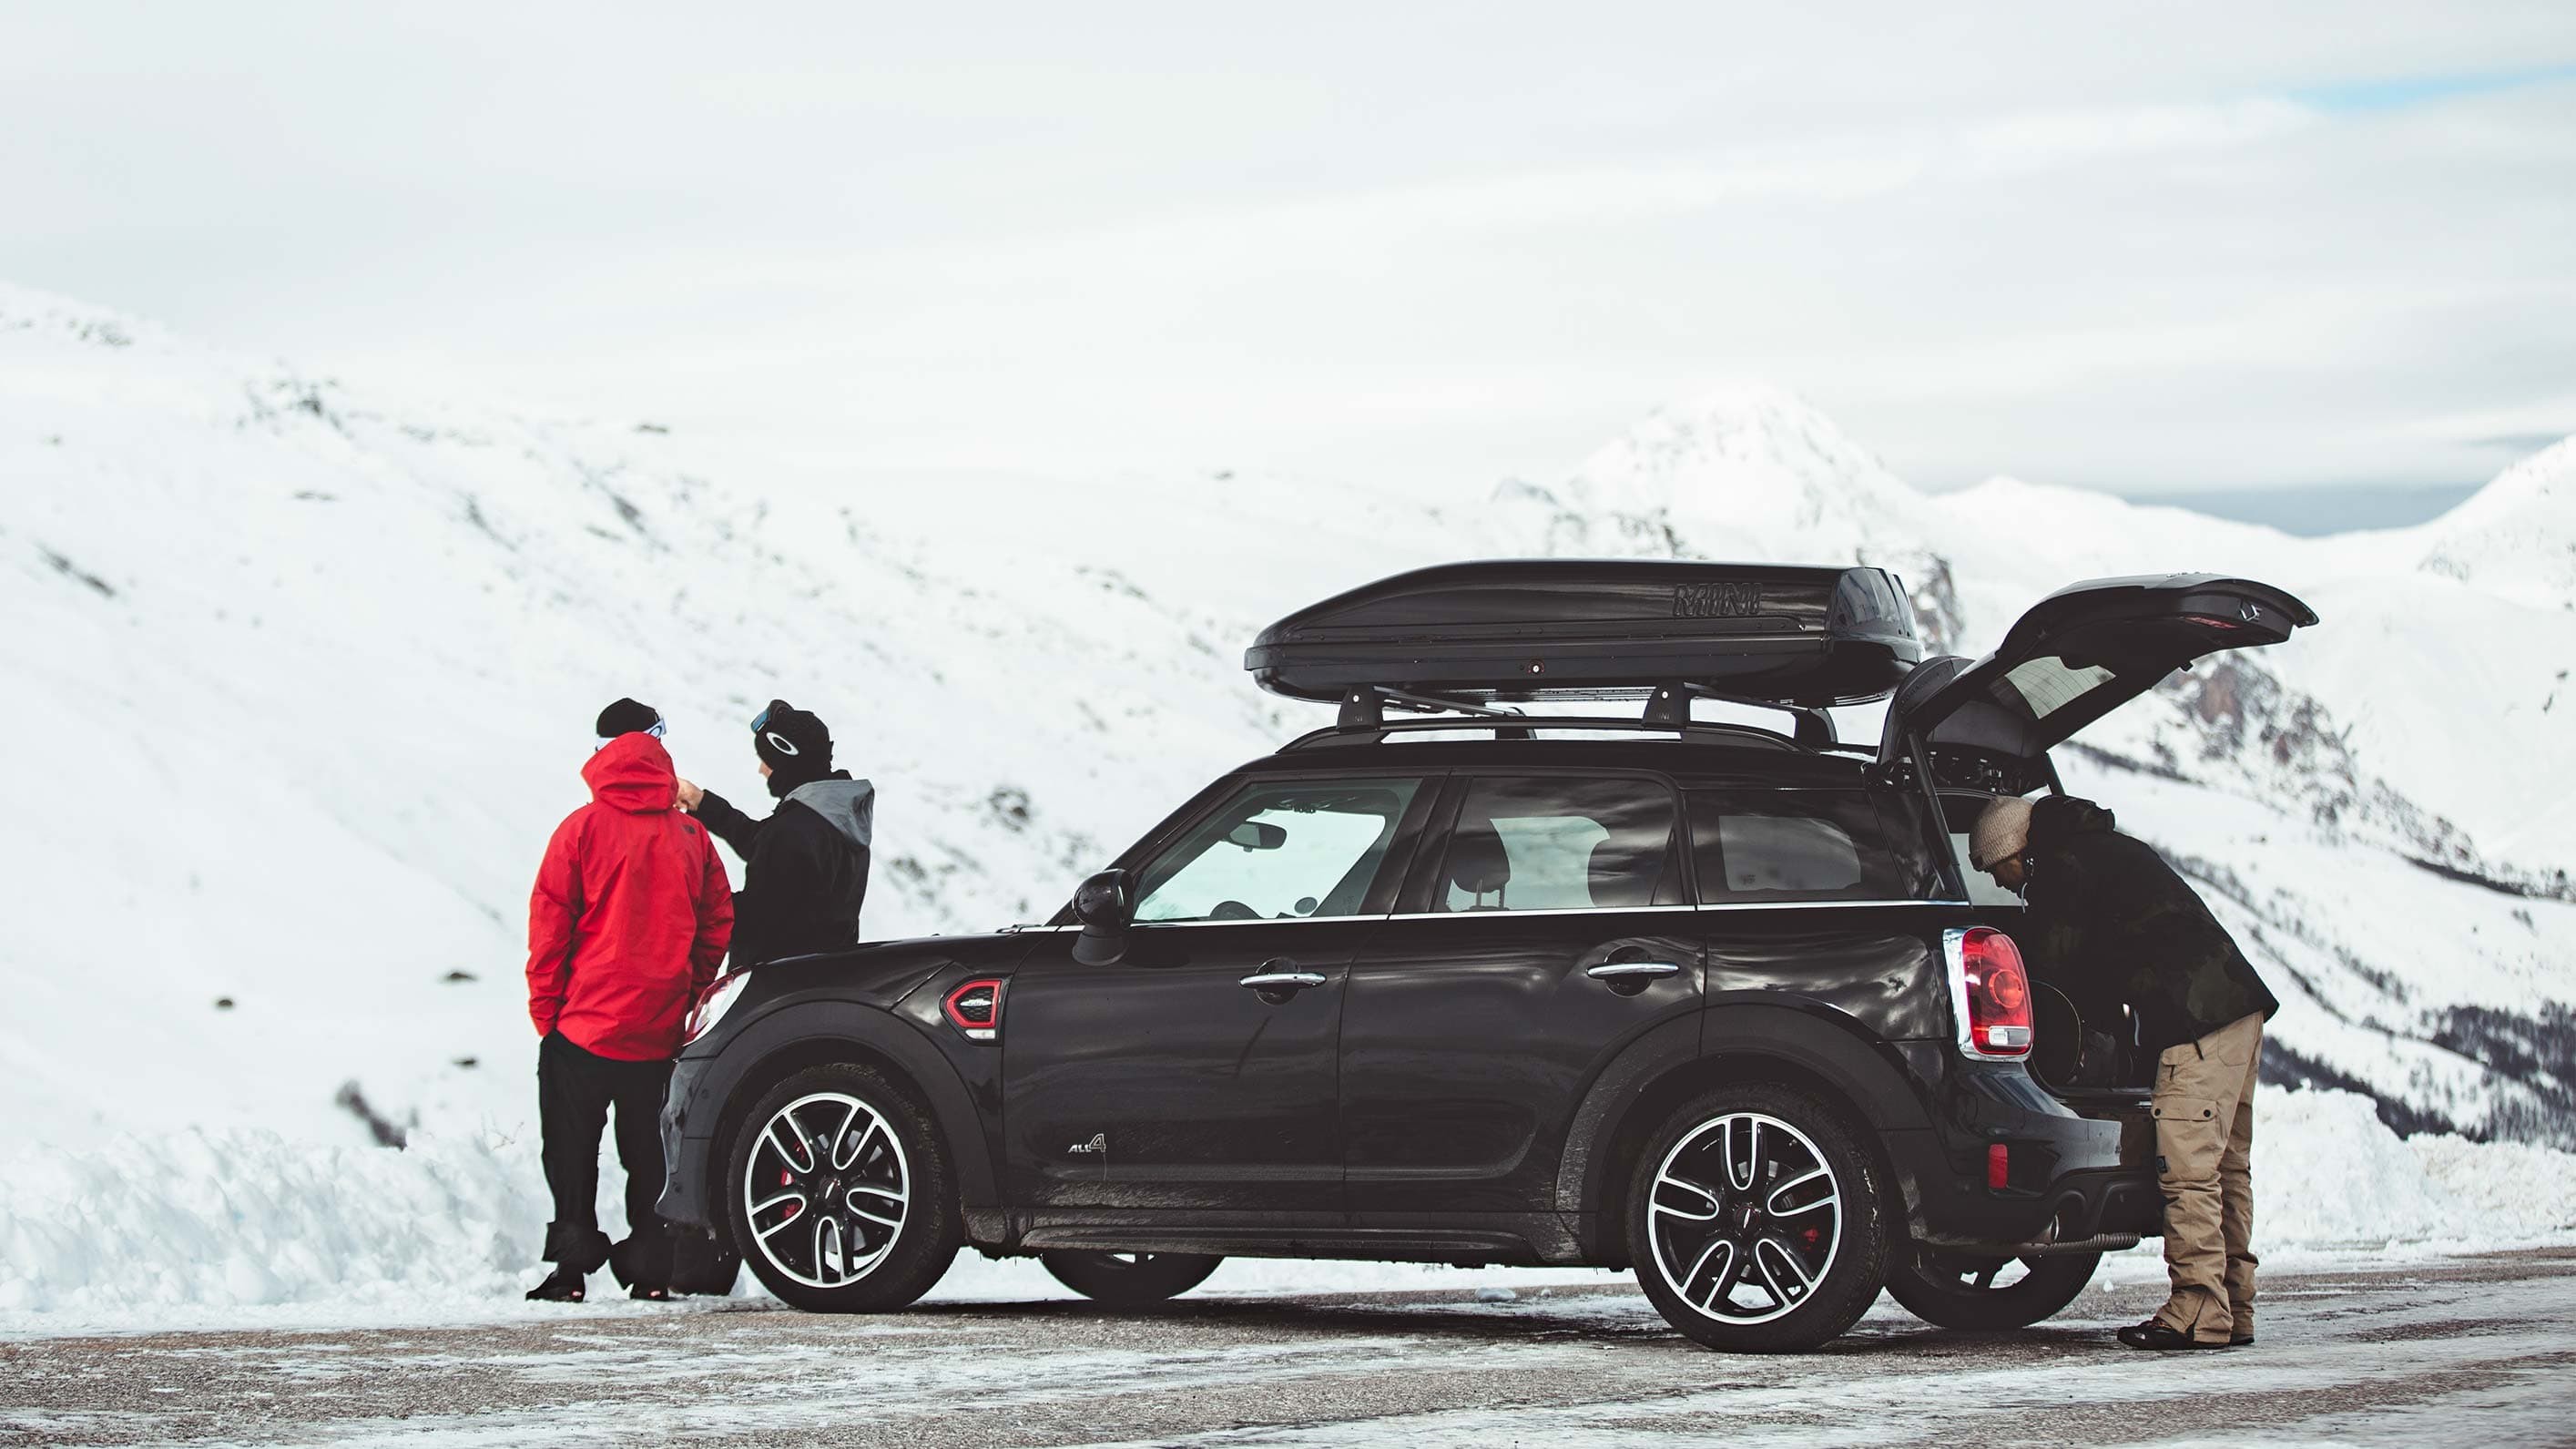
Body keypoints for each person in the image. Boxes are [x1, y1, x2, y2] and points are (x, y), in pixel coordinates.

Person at [1970, 793, 2280, 1352]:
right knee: (2226, 1168)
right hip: (2237, 1009)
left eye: (1997, 869)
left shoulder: (2062, 868)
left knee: (2187, 1170)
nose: (2002, 883)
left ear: (2014, 851)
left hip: (2195, 1020)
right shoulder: (2104, 848)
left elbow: (2055, 970)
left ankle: (2196, 1312)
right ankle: (2233, 1307)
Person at [523, 699, 734, 1302]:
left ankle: (570, 1274)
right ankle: (650, 1273)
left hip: (582, 1027)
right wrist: (686, 993)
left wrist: (547, 1012)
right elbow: (717, 922)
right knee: (648, 1154)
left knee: (571, 1152)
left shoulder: (580, 829)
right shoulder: (691, 836)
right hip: (657, 1028)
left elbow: (549, 929)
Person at [676, 699, 872, 966]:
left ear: (787, 762)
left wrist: (687, 897)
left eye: (767, 761)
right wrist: (700, 802)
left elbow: (753, 920)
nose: (762, 770)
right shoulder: (834, 818)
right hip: (823, 979)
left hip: (774, 981)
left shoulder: (794, 831)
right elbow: (764, 845)